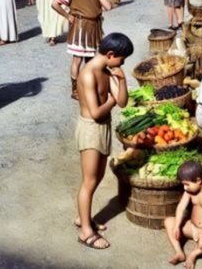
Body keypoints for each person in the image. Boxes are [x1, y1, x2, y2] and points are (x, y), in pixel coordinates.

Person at [74, 33, 131, 250]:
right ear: (111, 54)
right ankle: (85, 231)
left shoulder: (107, 71)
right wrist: (111, 101)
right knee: (89, 181)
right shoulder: (88, 74)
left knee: (97, 177)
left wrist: (122, 80)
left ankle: (83, 217)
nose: (122, 64)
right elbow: (96, 112)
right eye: (122, 60)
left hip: (103, 127)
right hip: (90, 129)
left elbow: (123, 102)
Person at [52, 0, 112, 99]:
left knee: (91, 60)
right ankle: (75, 90)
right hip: (80, 27)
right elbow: (55, 4)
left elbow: (108, 6)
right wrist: (67, 16)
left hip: (95, 27)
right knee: (77, 59)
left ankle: (89, 86)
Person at [164, 161, 202, 269]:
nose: (185, 188)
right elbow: (181, 207)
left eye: (187, 184)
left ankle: (193, 255)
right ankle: (179, 253)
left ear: (198, 180)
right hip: (192, 227)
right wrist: (177, 226)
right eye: (183, 184)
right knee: (168, 221)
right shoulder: (189, 191)